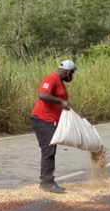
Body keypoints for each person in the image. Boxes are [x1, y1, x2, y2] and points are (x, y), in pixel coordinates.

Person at [30, 60, 77, 193]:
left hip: (50, 121)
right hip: (42, 119)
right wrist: (60, 101)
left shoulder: (60, 83)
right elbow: (42, 95)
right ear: (68, 72)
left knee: (50, 150)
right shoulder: (52, 78)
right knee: (48, 151)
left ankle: (47, 181)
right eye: (72, 73)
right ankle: (46, 182)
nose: (72, 77)